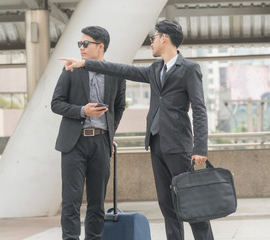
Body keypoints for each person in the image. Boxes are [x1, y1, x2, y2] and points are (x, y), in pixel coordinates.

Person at [60, 20, 213, 240]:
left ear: (165, 38)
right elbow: (123, 70)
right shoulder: (155, 69)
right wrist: (86, 64)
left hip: (179, 145)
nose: (151, 42)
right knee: (167, 207)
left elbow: (199, 109)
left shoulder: (189, 69)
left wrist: (200, 148)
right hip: (156, 143)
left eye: (154, 38)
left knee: (191, 205)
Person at [51, 26, 126, 240]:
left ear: (100, 46)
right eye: (80, 44)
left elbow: (119, 107)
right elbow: (56, 104)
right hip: (74, 144)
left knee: (97, 202)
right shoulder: (71, 69)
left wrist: (110, 134)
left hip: (101, 143)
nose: (81, 48)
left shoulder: (116, 73)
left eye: (86, 44)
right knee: (71, 201)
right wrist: (82, 111)